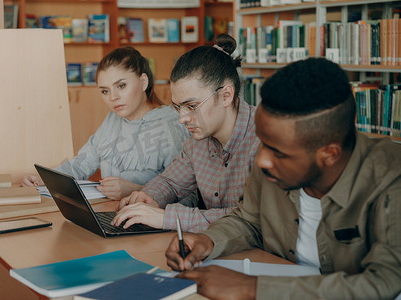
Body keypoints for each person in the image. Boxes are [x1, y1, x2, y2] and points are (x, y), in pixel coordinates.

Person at [166, 58, 401, 299]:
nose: (262, 160)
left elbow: (384, 282)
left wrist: (253, 288)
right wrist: (208, 240)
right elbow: (248, 220)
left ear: (329, 154)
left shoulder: (391, 177)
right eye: (263, 142)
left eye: (278, 152)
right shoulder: (272, 161)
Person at [112, 34, 260, 232]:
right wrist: (149, 197)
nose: (182, 118)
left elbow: (250, 218)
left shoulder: (264, 140)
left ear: (226, 95)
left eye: (191, 105)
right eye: (178, 107)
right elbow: (170, 182)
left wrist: (168, 218)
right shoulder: (198, 141)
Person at [21, 47, 190, 200]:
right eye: (105, 91)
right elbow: (83, 162)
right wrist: (44, 179)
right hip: (111, 212)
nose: (113, 97)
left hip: (152, 222)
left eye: (121, 86)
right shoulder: (113, 119)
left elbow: (186, 194)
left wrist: (138, 190)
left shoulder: (172, 124)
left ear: (143, 82)